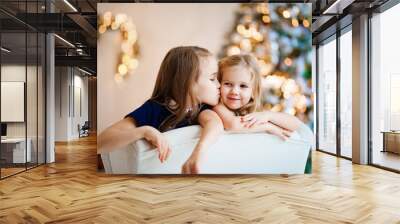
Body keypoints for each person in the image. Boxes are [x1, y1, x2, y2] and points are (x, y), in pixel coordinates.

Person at [98, 46, 224, 174]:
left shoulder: (203, 109)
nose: (219, 85)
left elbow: (215, 124)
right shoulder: (154, 109)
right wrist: (144, 131)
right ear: (187, 82)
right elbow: (101, 142)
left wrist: (197, 153)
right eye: (212, 79)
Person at [213, 54, 303, 138]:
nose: (234, 91)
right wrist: (268, 127)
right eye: (228, 84)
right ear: (219, 84)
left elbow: (296, 124)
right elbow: (234, 125)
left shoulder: (253, 111)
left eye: (243, 86)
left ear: (253, 91)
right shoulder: (218, 107)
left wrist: (268, 116)